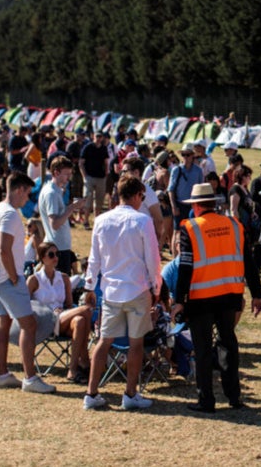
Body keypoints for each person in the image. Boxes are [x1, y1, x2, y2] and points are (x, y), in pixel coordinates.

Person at [173, 183, 261, 412]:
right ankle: (234, 397)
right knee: (228, 345)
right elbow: (249, 262)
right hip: (229, 295)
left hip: (200, 298)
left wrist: (179, 300)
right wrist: (257, 294)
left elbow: (185, 267)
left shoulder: (190, 228)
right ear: (214, 203)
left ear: (195, 206)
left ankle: (206, 400)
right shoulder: (234, 225)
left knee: (202, 350)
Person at [83, 176, 161, 411]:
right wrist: (156, 287)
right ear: (137, 195)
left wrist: (89, 285)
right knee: (136, 343)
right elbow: (153, 258)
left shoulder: (101, 220)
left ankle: (91, 392)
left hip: (111, 290)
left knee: (104, 341)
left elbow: (94, 257)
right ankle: (130, 394)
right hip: (136, 289)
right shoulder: (142, 221)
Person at [0, 171, 56, 393]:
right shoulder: (10, 215)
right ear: (18, 190)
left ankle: (3, 374)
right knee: (29, 324)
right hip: (6, 277)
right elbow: (4, 248)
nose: (28, 198)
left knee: (3, 322)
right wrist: (15, 277)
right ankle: (30, 378)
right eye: (27, 193)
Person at [27, 241, 94, 384]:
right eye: (51, 255)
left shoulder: (63, 278)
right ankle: (85, 360)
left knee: (80, 321)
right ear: (42, 258)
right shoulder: (34, 280)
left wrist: (64, 311)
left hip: (62, 318)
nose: (55, 257)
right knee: (87, 309)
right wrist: (45, 311)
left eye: (57, 254)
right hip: (45, 321)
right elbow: (26, 305)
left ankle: (72, 369)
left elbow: (69, 305)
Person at [38, 155, 84, 275]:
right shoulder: (51, 193)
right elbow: (55, 224)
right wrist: (72, 207)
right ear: (56, 172)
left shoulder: (55, 190)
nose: (69, 177)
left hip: (59, 246)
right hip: (57, 248)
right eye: (66, 174)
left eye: (70, 173)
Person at [168, 143, 204, 228]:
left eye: (188, 154)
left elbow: (201, 189)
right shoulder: (176, 170)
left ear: (192, 156)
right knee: (178, 231)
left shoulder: (198, 171)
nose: (185, 157)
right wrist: (174, 207)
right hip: (180, 205)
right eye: (183, 154)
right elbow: (171, 190)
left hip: (194, 206)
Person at [79, 130, 110, 225]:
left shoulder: (104, 148)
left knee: (99, 200)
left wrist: (106, 173)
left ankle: (97, 220)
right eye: (97, 136)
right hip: (90, 177)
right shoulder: (88, 147)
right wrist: (84, 176)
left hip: (101, 177)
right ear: (93, 136)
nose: (98, 138)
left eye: (100, 136)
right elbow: (81, 163)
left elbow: (106, 162)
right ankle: (86, 220)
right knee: (88, 199)